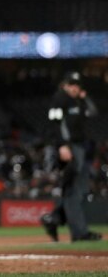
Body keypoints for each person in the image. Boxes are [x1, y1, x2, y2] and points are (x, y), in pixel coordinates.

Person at [40, 71, 102, 242]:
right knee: (73, 191)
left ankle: (54, 218)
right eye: (72, 84)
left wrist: (85, 97)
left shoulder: (78, 101)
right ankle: (79, 233)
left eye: (77, 85)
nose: (75, 87)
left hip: (81, 148)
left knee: (80, 191)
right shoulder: (59, 99)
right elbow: (54, 125)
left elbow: (93, 112)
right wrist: (61, 146)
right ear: (65, 85)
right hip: (68, 149)